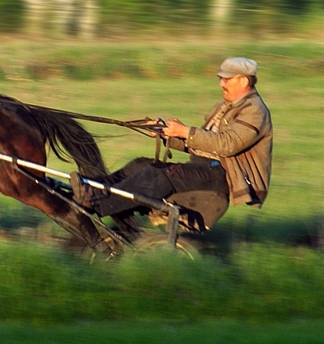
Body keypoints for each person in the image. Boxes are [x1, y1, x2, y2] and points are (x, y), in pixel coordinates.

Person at [73, 57, 273, 226]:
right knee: (141, 164)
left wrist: (185, 131)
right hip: (207, 167)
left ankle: (96, 203)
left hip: (224, 175)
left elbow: (227, 145)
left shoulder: (254, 110)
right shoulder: (226, 106)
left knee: (159, 174)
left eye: (226, 79)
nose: (221, 83)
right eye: (221, 79)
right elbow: (203, 144)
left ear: (244, 81)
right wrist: (167, 134)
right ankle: (94, 188)